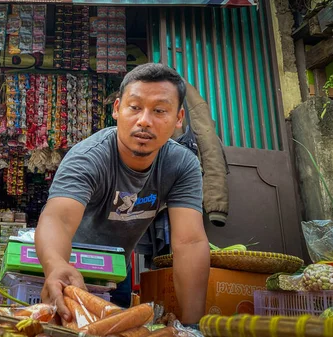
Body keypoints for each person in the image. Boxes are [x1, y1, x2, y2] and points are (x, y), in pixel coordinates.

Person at [35, 63, 210, 327]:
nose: (144, 121)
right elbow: (57, 219)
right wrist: (55, 265)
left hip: (116, 272)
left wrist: (193, 326)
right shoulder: (88, 158)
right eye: (135, 107)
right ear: (117, 109)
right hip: (64, 267)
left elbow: (190, 243)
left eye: (159, 110)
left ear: (178, 118)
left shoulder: (182, 165)